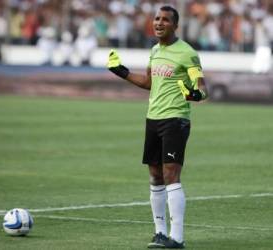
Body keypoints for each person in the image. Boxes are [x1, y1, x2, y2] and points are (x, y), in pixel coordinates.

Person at [107, 5, 208, 249]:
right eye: (156, 19)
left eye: (165, 20)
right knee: (155, 176)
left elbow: (203, 88)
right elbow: (149, 82)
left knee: (171, 175)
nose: (159, 23)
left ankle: (178, 238)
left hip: (176, 119)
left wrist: (195, 94)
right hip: (153, 118)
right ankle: (160, 233)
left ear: (175, 25)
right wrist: (121, 72)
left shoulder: (187, 53)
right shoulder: (154, 50)